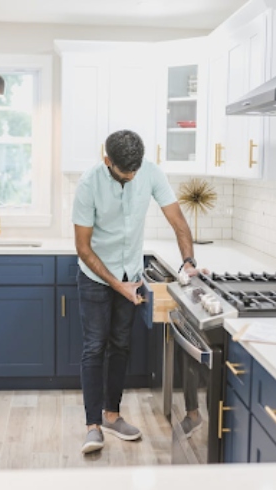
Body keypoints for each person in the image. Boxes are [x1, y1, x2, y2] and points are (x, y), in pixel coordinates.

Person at [72, 129, 199, 454]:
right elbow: (83, 249)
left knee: (120, 345)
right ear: (107, 161)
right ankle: (92, 427)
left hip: (130, 271)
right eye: (124, 174)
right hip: (97, 275)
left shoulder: (150, 172)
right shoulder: (89, 184)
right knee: (94, 346)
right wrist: (119, 286)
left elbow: (178, 222)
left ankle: (112, 415)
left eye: (135, 172)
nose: (132, 177)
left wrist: (188, 262)